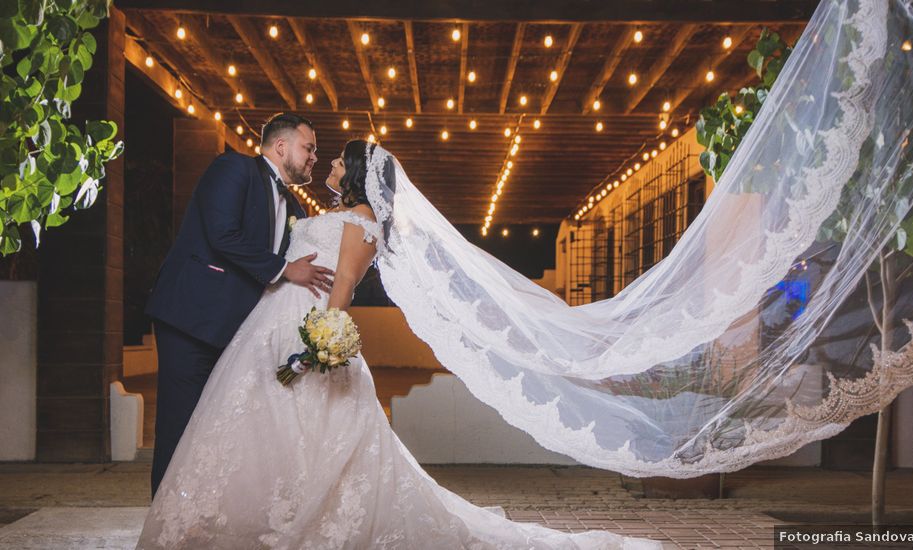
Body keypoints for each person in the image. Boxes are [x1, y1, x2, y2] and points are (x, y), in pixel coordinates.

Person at [136, 140, 661, 549]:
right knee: (263, 432)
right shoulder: (338, 213)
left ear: (361, 174)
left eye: (340, 163)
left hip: (306, 331)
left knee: (305, 436)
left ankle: (294, 522)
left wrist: (320, 343)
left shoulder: (362, 222)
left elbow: (341, 286)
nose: (331, 168)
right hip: (268, 329)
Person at [144, 113, 334, 496]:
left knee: (220, 432)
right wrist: (285, 269)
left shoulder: (295, 207)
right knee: (180, 427)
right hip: (192, 319)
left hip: (238, 335)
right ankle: (165, 522)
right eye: (308, 147)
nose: (314, 157)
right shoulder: (234, 168)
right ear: (281, 146)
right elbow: (222, 233)